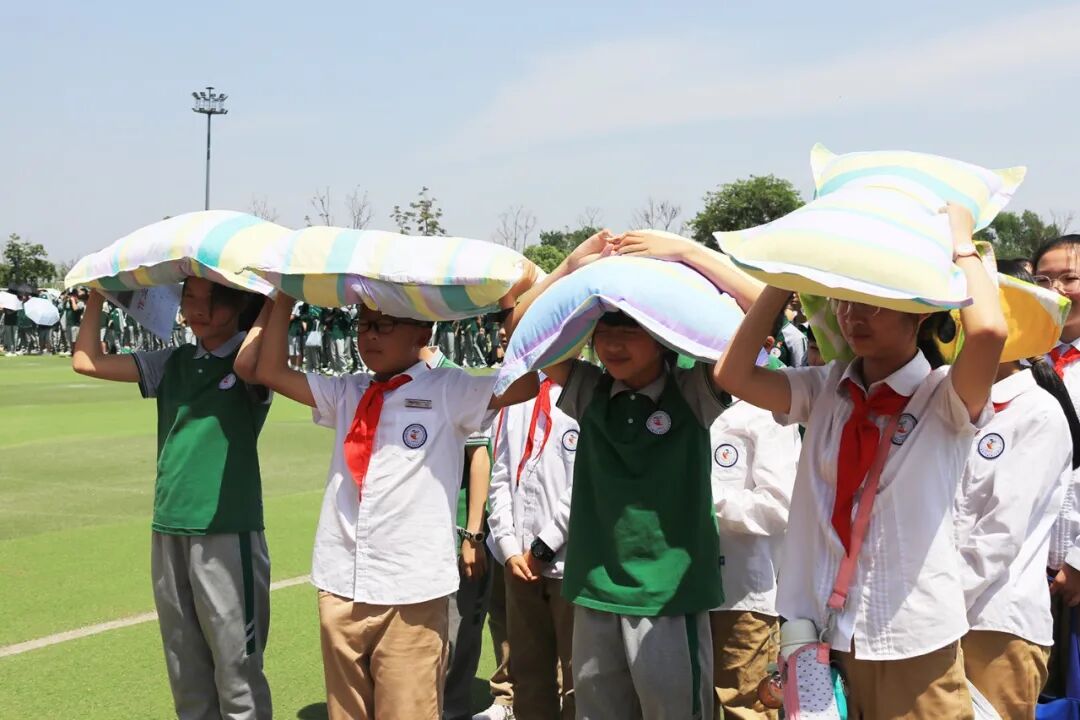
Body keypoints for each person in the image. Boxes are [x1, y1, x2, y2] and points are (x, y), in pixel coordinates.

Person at [715, 204, 1007, 718]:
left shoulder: (944, 397)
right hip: (821, 632)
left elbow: (987, 333)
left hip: (910, 637)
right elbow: (732, 374)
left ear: (920, 311)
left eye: (874, 303)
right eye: (845, 300)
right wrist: (785, 277)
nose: (853, 316)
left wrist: (962, 243)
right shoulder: (827, 388)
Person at [252, 252, 557, 719]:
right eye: (363, 325)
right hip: (341, 583)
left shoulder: (449, 388)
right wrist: (283, 295)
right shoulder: (347, 390)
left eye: (384, 325)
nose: (369, 335)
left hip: (411, 592)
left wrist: (508, 307)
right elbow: (268, 370)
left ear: (422, 332)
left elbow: (524, 384)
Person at [507, 228, 763, 720]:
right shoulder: (590, 391)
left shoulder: (694, 393)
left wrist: (687, 252)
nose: (612, 343)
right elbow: (524, 328)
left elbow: (762, 314)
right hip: (593, 589)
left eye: (630, 329)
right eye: (604, 329)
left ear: (662, 335)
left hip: (669, 596)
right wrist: (570, 267)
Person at [72, 279, 274, 720]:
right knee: (186, 670)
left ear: (240, 302)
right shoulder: (173, 361)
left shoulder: (252, 362)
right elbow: (86, 361)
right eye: (190, 297)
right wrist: (99, 293)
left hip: (226, 527)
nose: (196, 308)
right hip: (169, 524)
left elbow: (249, 364)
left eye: (211, 299)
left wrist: (274, 298)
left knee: (236, 670)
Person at [954, 261, 1079, 719]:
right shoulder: (946, 405)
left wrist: (934, 601)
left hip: (994, 623)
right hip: (940, 616)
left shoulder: (1036, 412)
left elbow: (999, 533)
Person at [487, 376, 578, 720]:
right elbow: (501, 472)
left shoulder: (585, 392)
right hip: (518, 564)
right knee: (528, 675)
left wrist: (544, 546)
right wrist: (508, 545)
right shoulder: (518, 395)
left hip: (569, 563)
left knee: (579, 678)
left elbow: (586, 483)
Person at [708, 392, 799, 719]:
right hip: (678, 591)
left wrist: (704, 498)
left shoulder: (765, 409)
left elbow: (779, 505)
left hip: (742, 597)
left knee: (746, 708)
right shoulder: (680, 398)